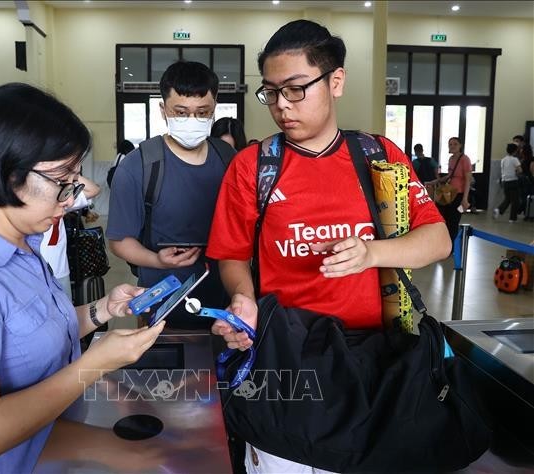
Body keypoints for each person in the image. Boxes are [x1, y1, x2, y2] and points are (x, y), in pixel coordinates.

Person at [205, 19, 450, 473]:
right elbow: (232, 255)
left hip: (375, 358)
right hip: (287, 358)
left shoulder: (378, 157)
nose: (281, 106)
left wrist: (372, 252)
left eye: (296, 89)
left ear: (335, 81)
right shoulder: (253, 167)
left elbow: (437, 240)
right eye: (271, 92)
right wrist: (243, 297)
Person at [0, 83, 165, 473]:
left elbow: (35, 334)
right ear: (9, 174)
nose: (71, 198)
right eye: (63, 182)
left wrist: (101, 309)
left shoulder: (25, 246)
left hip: (55, 447)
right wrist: (93, 365)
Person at [107, 61, 233, 330]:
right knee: (164, 368)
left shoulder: (227, 158)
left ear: (214, 110)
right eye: (181, 112)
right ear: (163, 110)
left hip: (223, 299)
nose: (192, 121)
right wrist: (156, 260)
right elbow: (119, 241)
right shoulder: (138, 166)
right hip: (161, 299)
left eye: (202, 113)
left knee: (219, 368)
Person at [40, 174, 101, 300]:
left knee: (66, 312)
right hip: (35, 272)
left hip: (60, 269)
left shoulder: (62, 198)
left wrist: (71, 174)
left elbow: (93, 190)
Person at [428, 137, 473, 243]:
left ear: (460, 145)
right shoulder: (451, 159)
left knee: (453, 220)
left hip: (459, 194)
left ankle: (452, 245)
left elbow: (468, 179)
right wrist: (435, 181)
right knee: (443, 218)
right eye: (450, 144)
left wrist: (465, 199)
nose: (452, 146)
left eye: (455, 144)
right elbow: (449, 176)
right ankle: (443, 242)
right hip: (448, 193)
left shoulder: (465, 159)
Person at [493, 143, 522, 222]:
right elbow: (519, 170)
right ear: (515, 151)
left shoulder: (503, 160)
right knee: (515, 201)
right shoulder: (515, 159)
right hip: (513, 181)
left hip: (504, 182)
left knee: (508, 199)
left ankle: (498, 210)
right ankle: (512, 218)